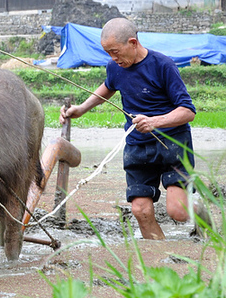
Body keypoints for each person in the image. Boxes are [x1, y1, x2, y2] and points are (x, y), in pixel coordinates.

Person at [60, 17, 205, 240]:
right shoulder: (115, 67)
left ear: (133, 43)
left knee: (178, 212)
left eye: (116, 51)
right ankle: (161, 259)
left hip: (173, 142)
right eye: (108, 53)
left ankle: (200, 210)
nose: (113, 58)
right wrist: (81, 109)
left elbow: (188, 111)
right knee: (140, 210)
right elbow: (108, 87)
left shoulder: (162, 65)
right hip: (137, 146)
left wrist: (154, 122)